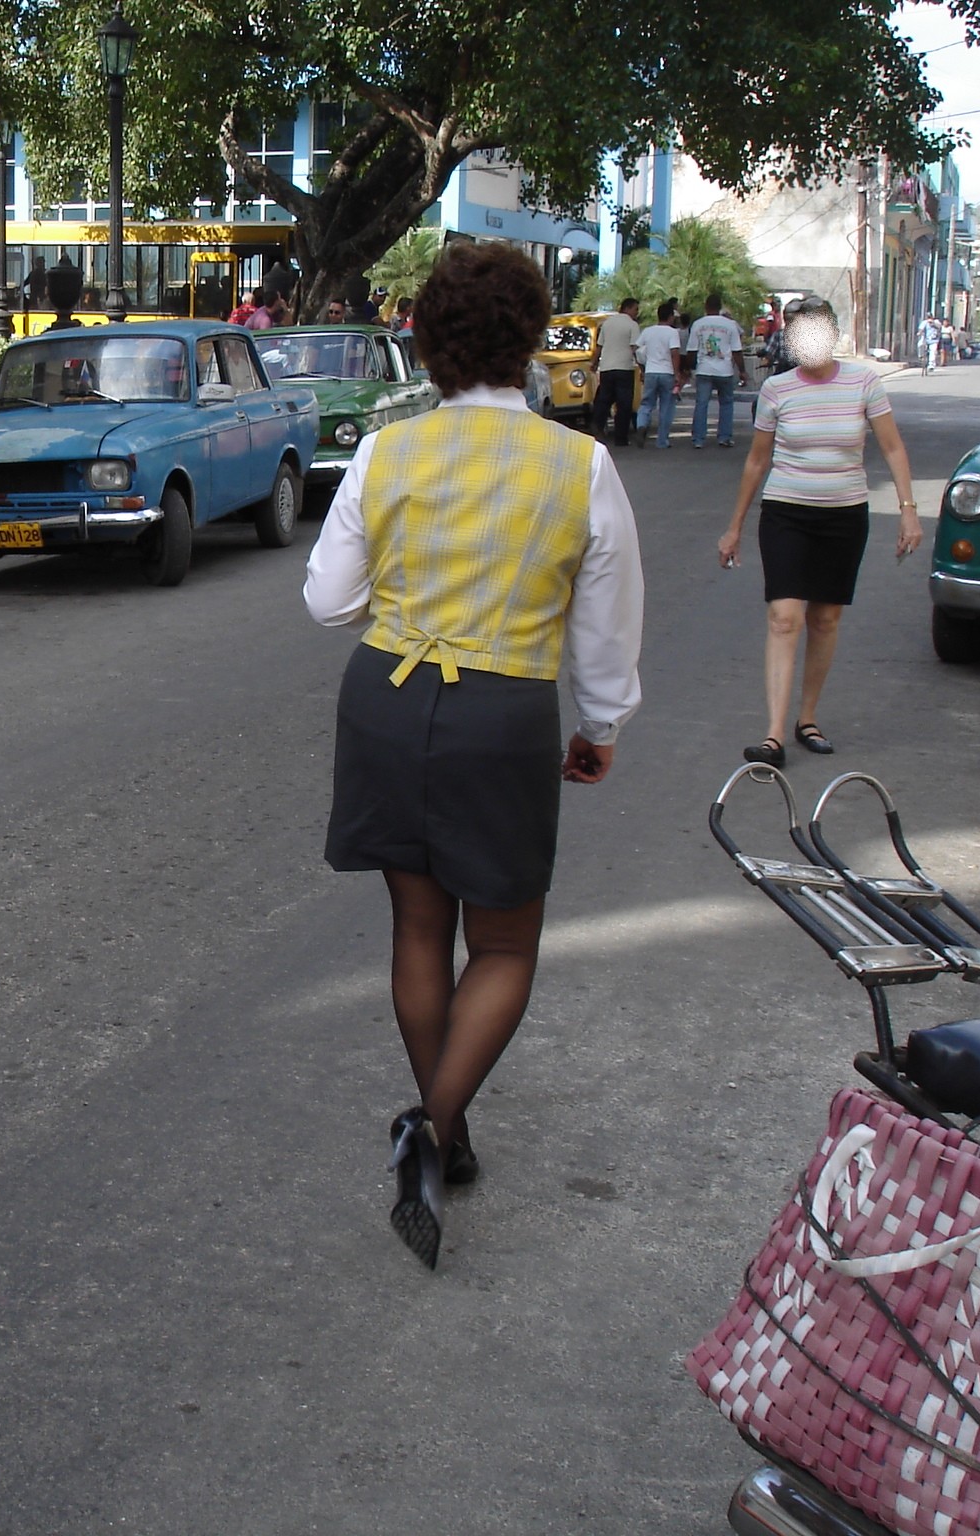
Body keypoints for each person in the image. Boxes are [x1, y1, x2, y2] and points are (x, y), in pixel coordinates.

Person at [302, 242, 644, 1269]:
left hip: (387, 699)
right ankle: (432, 1126)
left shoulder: (384, 449)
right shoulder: (577, 463)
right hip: (501, 712)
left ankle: (442, 1138)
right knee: (501, 947)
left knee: (417, 925)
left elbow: (327, 601)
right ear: (529, 340)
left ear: (428, 339)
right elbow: (604, 628)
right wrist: (600, 730)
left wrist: (402, 600)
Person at [716, 298, 921, 766]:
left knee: (825, 619)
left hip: (844, 514)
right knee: (783, 617)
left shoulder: (863, 381)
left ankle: (807, 718)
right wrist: (734, 528)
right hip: (786, 512)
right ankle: (773, 736)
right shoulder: (776, 390)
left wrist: (909, 510)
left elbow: (891, 446)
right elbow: (757, 460)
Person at [687, 292, 744, 449]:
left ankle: (698, 439)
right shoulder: (730, 325)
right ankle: (724, 437)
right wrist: (743, 371)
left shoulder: (698, 324)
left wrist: (688, 369)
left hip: (704, 369)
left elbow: (692, 350)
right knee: (726, 403)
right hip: (725, 370)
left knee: (701, 404)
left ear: (706, 307)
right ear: (720, 307)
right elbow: (737, 351)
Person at [589, 298, 641, 446]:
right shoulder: (632, 325)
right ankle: (621, 438)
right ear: (628, 308)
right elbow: (634, 348)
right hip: (624, 368)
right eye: (636, 309)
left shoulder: (607, 324)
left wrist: (594, 362)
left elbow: (599, 346)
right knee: (624, 404)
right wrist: (641, 366)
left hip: (606, 368)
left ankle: (597, 424)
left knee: (604, 400)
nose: (637, 313)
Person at [636, 298, 682, 448]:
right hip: (667, 372)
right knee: (666, 406)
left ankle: (641, 425)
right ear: (670, 317)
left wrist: (642, 367)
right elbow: (674, 353)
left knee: (646, 404)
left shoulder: (648, 331)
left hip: (650, 371)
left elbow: (635, 349)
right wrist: (677, 374)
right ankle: (662, 441)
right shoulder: (672, 332)